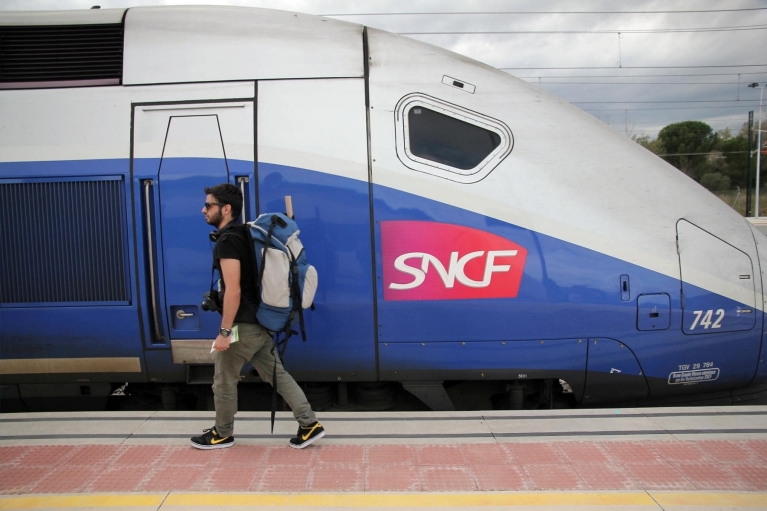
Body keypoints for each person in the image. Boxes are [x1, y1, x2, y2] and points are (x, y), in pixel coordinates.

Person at [191, 183, 325, 450]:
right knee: (277, 375)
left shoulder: (228, 242)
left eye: (208, 205)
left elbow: (233, 290)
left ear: (225, 209)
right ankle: (309, 424)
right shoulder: (246, 234)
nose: (203, 209)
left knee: (224, 381)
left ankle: (222, 433)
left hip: (242, 325)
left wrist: (225, 331)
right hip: (259, 321)